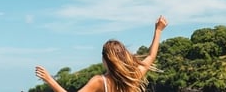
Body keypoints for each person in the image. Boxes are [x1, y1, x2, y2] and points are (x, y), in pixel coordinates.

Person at [35, 15, 168, 92]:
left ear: (105, 59)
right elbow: (151, 56)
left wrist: (50, 80)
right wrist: (158, 30)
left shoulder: (100, 81)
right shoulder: (133, 76)